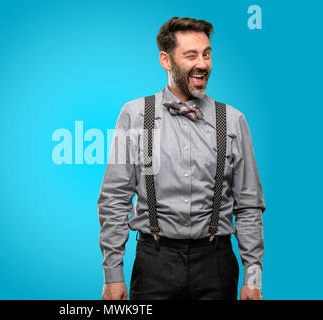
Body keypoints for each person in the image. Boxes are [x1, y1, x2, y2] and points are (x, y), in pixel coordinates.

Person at [97, 17, 265, 300]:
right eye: (191, 55)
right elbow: (115, 199)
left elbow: (248, 206)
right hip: (154, 263)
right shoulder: (135, 115)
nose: (202, 63)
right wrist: (112, 275)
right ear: (166, 60)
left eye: (207, 54)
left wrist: (253, 276)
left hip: (216, 263)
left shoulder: (233, 121)